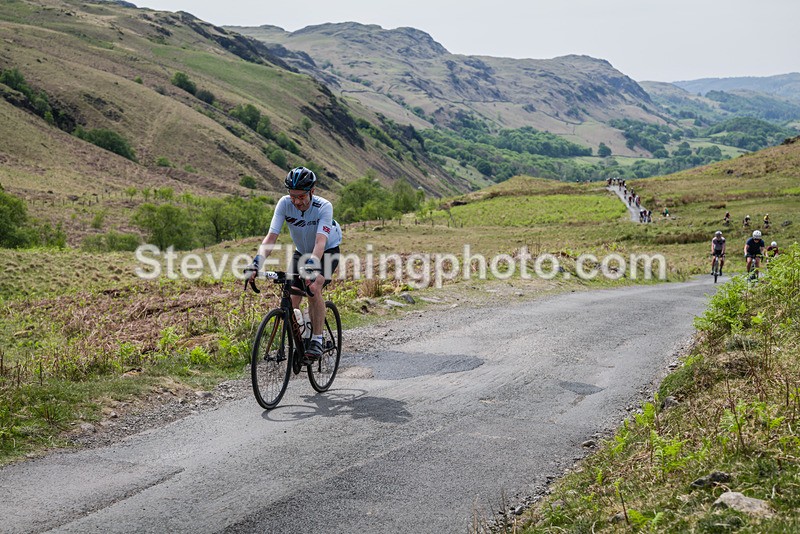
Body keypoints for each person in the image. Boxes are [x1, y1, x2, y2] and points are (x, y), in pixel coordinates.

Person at [249, 167, 342, 361]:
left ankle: (317, 338)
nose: (297, 201)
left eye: (301, 196)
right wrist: (256, 263)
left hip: (327, 251)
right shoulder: (284, 204)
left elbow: (320, 243)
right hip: (302, 252)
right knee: (292, 298)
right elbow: (271, 237)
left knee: (313, 287)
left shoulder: (324, 207)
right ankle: (300, 336)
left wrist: (311, 269)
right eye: (293, 196)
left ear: (312, 192)